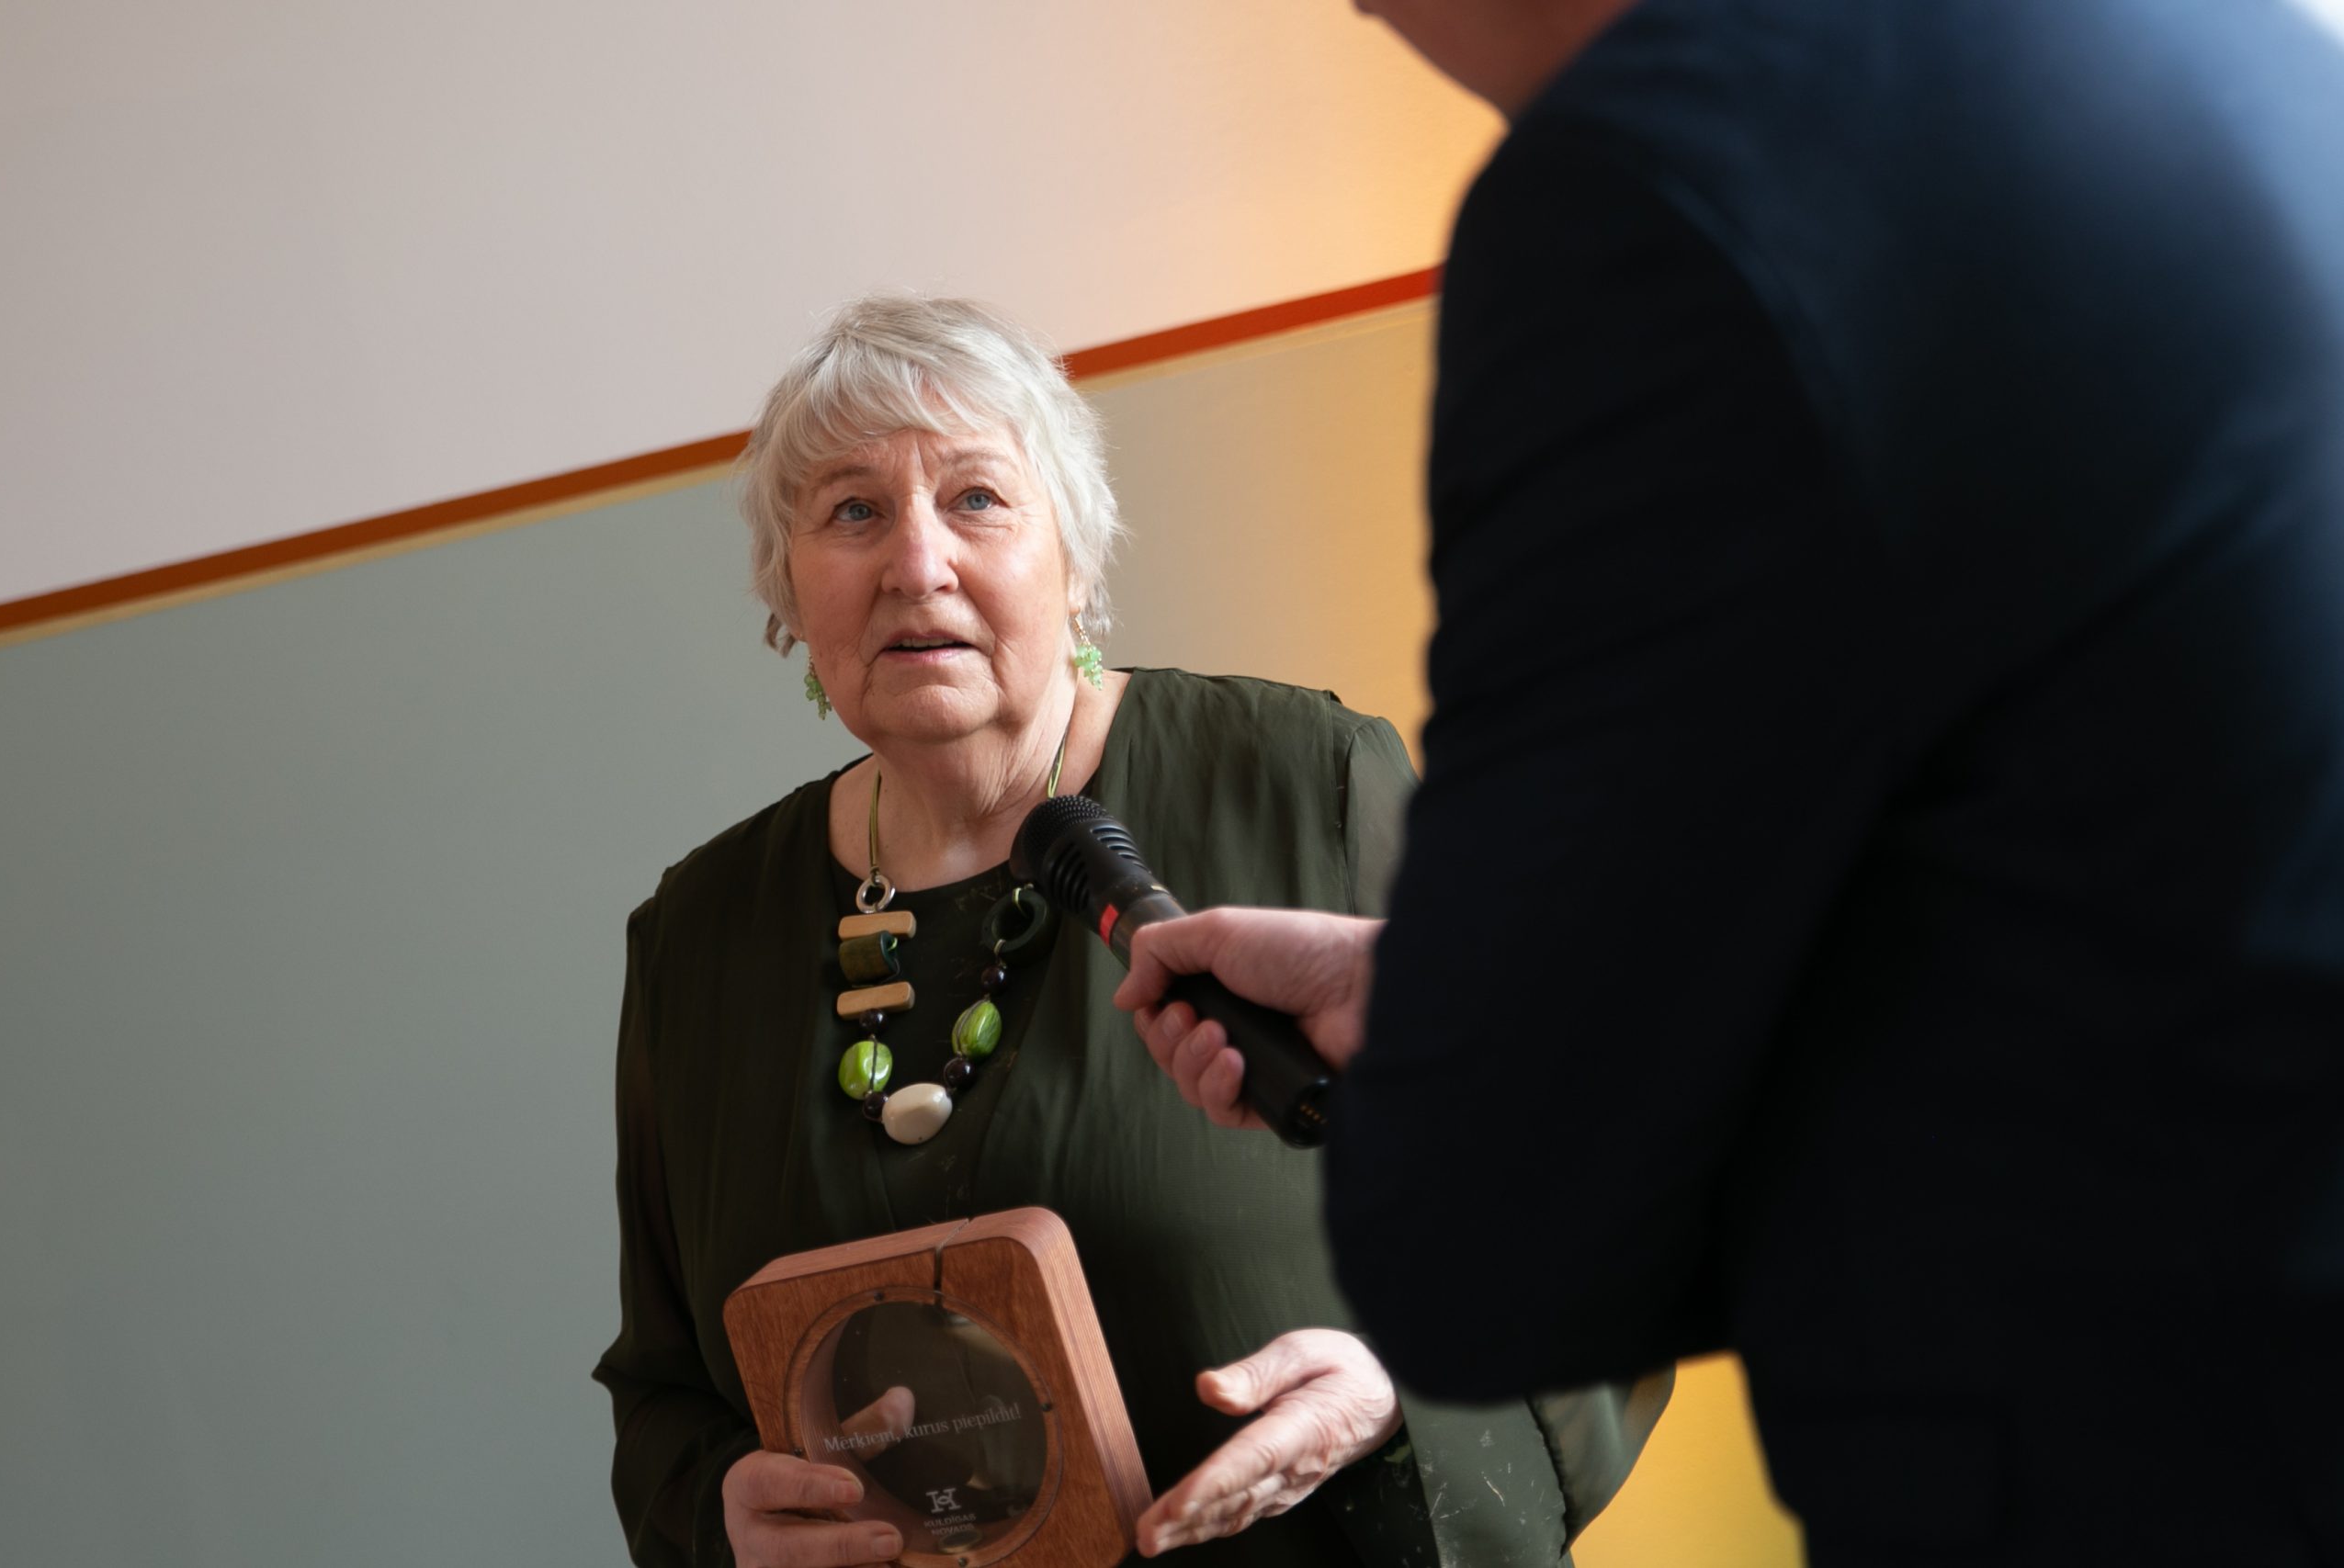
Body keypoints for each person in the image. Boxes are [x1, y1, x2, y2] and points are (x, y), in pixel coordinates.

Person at [1118, 1, 2344, 1562]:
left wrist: (1466, 1053)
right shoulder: (2234, 51)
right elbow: (2049, 887)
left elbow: (1482, 1252)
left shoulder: (1648, 191)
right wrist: (1425, 990)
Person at [590, 292, 1670, 1568]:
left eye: (977, 498)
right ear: (789, 592)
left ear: (1079, 560)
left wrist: (1403, 1383)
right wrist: (721, 1514)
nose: (916, 565)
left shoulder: (1307, 785)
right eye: (852, 512)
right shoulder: (698, 937)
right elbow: (665, 1395)